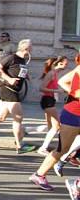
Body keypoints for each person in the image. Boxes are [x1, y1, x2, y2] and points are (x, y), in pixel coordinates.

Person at [29, 54, 80, 192]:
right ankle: (39, 175)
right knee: (62, 149)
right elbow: (63, 81)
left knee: (65, 149)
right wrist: (75, 93)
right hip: (74, 115)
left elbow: (63, 81)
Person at [0, 39, 37, 155]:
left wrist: (25, 76)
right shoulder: (12, 58)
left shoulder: (22, 60)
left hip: (13, 90)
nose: (32, 49)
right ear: (25, 48)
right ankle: (19, 145)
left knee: (0, 118)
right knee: (18, 118)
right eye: (31, 46)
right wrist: (9, 79)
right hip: (8, 90)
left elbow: (17, 71)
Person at [38, 56, 68, 155]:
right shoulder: (51, 74)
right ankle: (43, 148)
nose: (66, 65)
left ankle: (26, 130)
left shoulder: (55, 74)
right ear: (58, 63)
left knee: (51, 126)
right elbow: (42, 88)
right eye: (64, 63)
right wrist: (57, 91)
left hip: (50, 100)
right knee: (57, 126)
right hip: (47, 101)